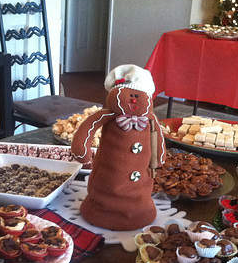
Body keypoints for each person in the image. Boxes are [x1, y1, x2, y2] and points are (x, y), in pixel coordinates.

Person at [71, 65, 166, 230]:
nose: (133, 99)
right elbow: (88, 128)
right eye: (129, 94)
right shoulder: (107, 115)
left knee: (141, 186)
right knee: (109, 182)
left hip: (142, 184)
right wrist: (82, 152)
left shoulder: (150, 118)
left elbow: (157, 137)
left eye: (138, 95)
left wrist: (158, 159)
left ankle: (140, 210)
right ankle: (101, 210)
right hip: (107, 180)